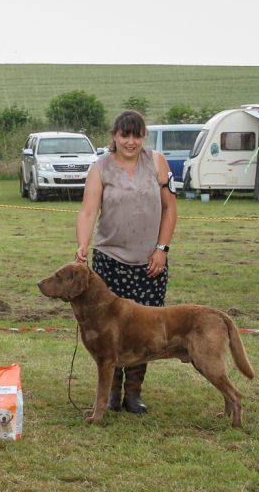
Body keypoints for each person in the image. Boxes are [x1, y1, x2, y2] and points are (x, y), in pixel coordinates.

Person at [75, 110, 177, 414]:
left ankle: (134, 394)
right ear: (114, 136)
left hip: (150, 263)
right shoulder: (100, 168)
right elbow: (88, 212)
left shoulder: (157, 162)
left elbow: (170, 209)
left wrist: (162, 248)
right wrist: (83, 244)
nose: (131, 142)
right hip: (110, 261)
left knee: (143, 330)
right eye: (125, 135)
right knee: (109, 330)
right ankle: (111, 393)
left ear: (144, 137)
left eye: (137, 135)